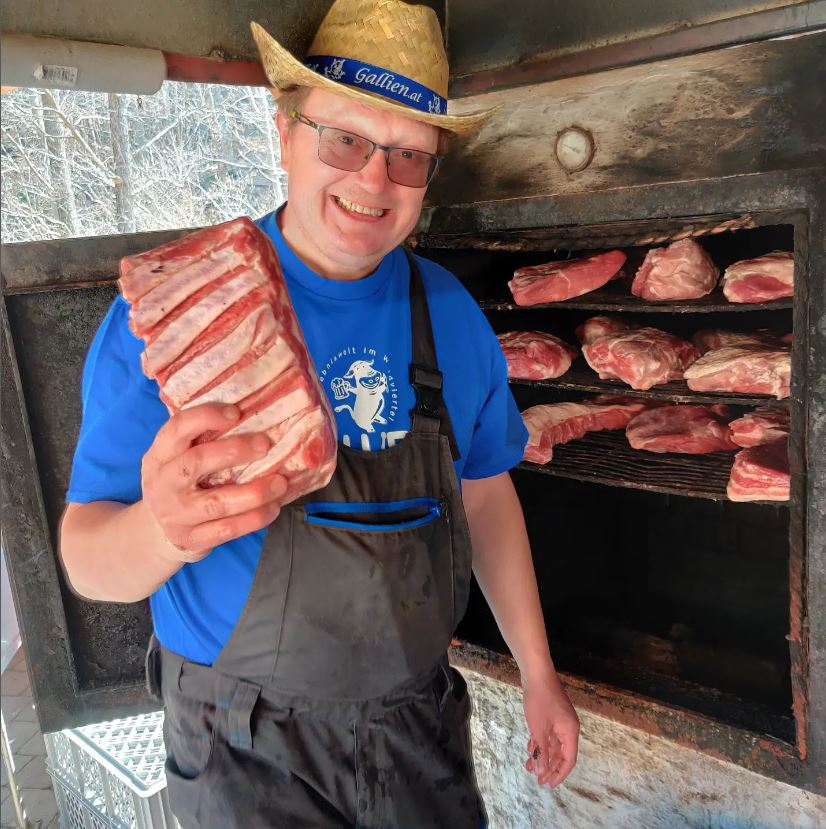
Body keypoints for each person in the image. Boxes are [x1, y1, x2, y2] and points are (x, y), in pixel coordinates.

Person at [58, 1, 580, 826]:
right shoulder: (180, 309)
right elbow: (88, 558)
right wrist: (161, 530)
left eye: (408, 155)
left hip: (416, 733)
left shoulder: (452, 315)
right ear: (284, 133)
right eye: (344, 140)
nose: (374, 179)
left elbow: (483, 497)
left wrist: (539, 673)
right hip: (243, 747)